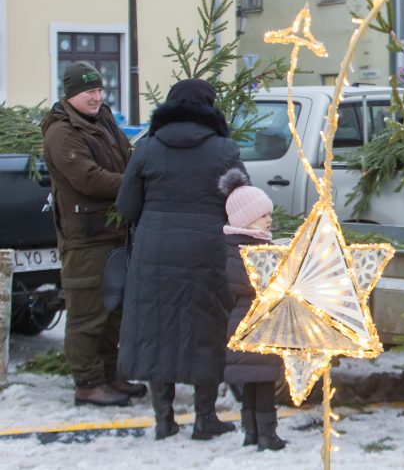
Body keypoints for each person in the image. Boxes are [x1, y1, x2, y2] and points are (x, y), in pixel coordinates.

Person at [116, 78, 242, 441]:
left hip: (153, 252)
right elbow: (240, 203)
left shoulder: (148, 148)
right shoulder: (225, 150)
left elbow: (126, 206)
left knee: (157, 330)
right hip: (208, 251)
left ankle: (163, 419)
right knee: (206, 329)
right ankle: (205, 418)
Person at [40, 61, 145, 406]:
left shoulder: (104, 119)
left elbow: (126, 157)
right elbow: (89, 178)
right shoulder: (62, 132)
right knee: (88, 313)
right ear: (71, 95)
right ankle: (88, 384)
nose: (97, 97)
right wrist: (134, 185)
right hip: (85, 238)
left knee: (114, 310)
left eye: (99, 90)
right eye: (89, 92)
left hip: (115, 232)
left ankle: (112, 376)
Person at [218, 168, 287, 452]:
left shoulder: (241, 246)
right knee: (264, 383)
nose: (269, 220)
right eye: (263, 216)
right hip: (255, 324)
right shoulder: (245, 251)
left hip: (247, 324)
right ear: (246, 220)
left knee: (252, 383)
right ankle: (267, 435)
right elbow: (251, 285)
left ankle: (251, 432)